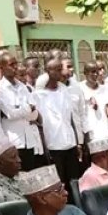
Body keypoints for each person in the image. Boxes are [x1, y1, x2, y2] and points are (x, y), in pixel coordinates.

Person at [34, 58, 84, 187]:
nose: (59, 72)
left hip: (70, 143)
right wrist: (45, 148)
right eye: (55, 69)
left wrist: (77, 142)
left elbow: (70, 117)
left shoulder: (64, 90)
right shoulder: (39, 95)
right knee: (59, 183)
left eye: (60, 69)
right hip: (53, 146)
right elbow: (39, 124)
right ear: (47, 71)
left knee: (74, 181)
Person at [0, 54, 45, 170]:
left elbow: (34, 115)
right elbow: (10, 114)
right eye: (11, 65)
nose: (15, 67)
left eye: (16, 64)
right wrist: (28, 108)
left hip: (28, 140)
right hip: (14, 141)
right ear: (2, 67)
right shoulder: (0, 88)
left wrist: (22, 110)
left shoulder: (22, 87)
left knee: (30, 176)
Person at [79, 61, 108, 141]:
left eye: (97, 72)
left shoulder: (104, 89)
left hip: (105, 132)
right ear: (85, 73)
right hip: (90, 134)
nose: (96, 74)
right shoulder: (79, 88)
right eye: (92, 72)